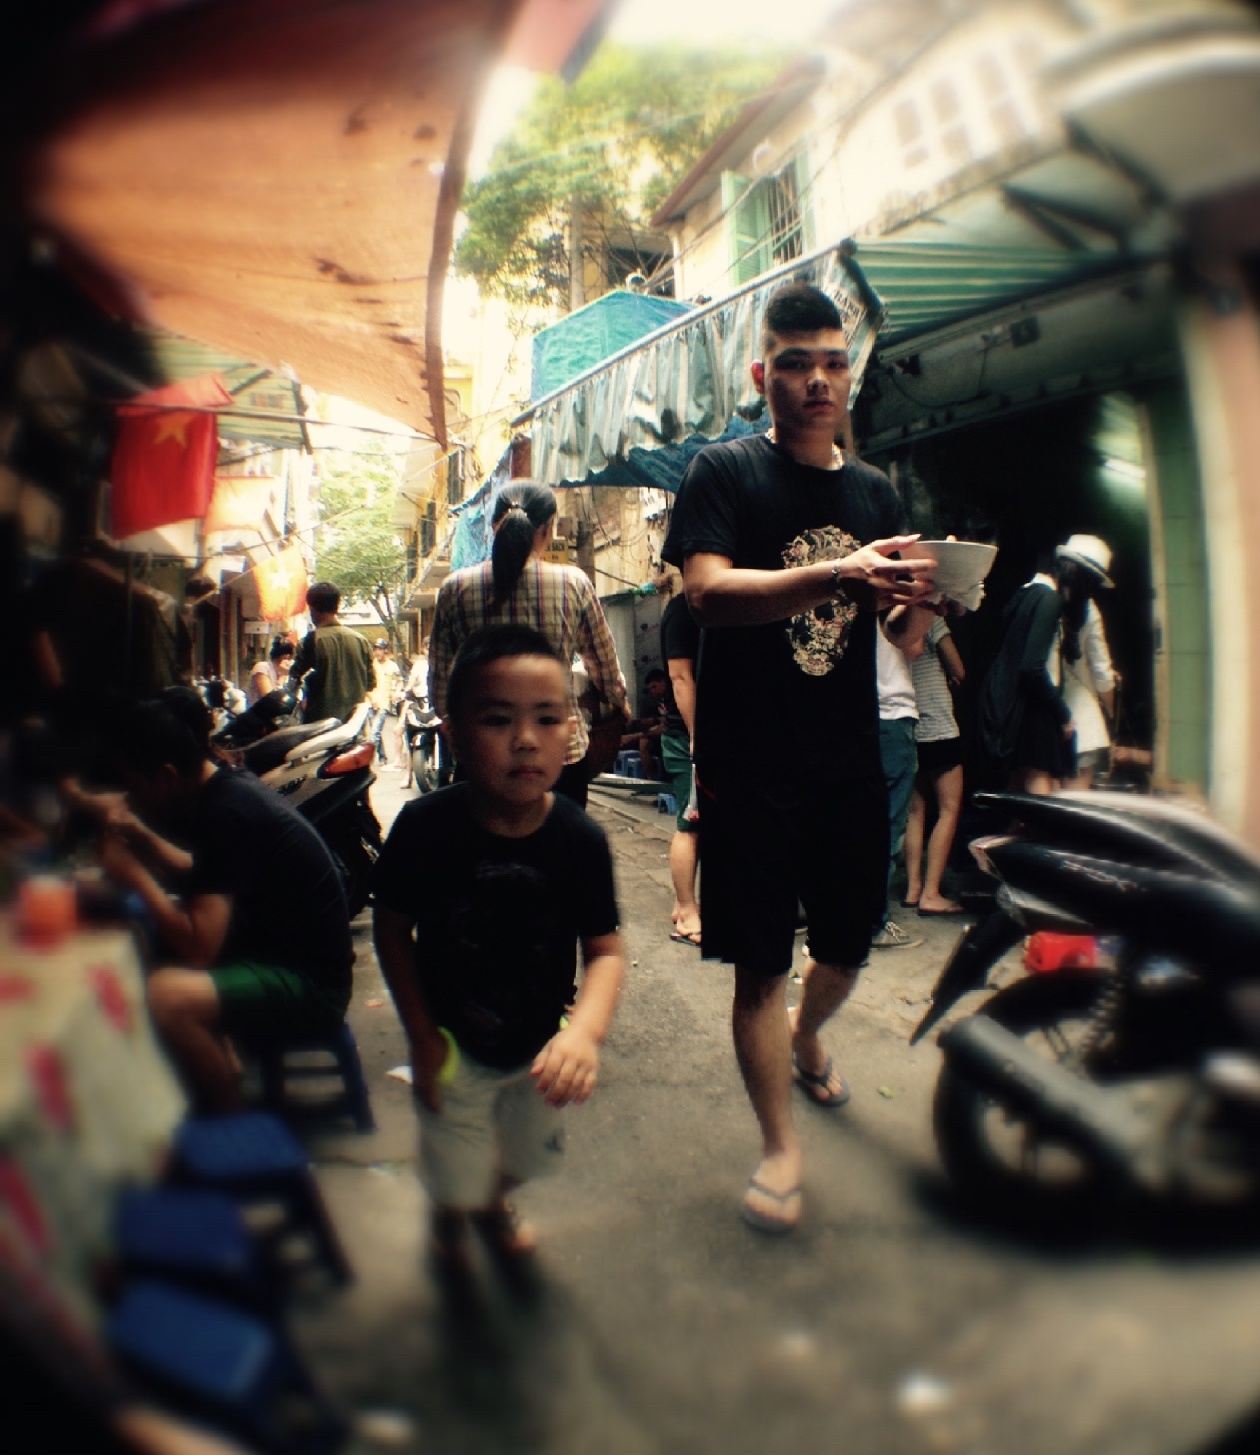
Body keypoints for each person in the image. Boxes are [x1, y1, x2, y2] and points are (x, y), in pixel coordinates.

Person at [662, 280, 936, 1233]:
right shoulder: (724, 471)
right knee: (760, 965)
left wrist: (923, 606)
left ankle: (808, 1035)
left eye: (833, 363)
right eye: (795, 363)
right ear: (760, 375)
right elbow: (706, 595)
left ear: (849, 376)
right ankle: (779, 1146)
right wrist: (837, 571)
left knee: (850, 941)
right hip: (751, 762)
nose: (818, 380)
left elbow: (892, 631)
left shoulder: (875, 493)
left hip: (848, 756)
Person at [372, 625, 625, 1272]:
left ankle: (489, 1202)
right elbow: (392, 929)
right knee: (452, 1168)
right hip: (452, 1047)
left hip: (541, 1052)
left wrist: (585, 1032)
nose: (525, 739)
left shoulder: (580, 839)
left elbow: (605, 951)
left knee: (525, 1158)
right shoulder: (425, 829)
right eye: (497, 719)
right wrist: (421, 1035)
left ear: (571, 732)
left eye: (546, 718)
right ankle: (453, 1214)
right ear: (453, 733)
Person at [98, 688, 353, 1111]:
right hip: (285, 956)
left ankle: (233, 1122)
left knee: (166, 996)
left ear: (165, 776)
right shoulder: (225, 786)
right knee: (155, 947)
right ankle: (223, 1066)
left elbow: (200, 946)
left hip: (312, 984)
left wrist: (134, 876)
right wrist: (139, 837)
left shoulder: (227, 811)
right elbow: (209, 875)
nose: (132, 798)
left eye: (134, 786)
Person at [428, 481, 630, 808]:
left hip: (482, 756)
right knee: (559, 840)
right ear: (548, 529)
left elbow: (441, 689)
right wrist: (619, 703)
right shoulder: (573, 584)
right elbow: (604, 668)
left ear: (494, 525)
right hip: (559, 758)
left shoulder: (455, 590)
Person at [978, 536, 1113, 794]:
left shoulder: (1026, 592)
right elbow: (1032, 667)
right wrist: (1063, 714)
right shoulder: (1049, 599)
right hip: (1036, 711)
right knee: (1042, 799)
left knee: (1020, 796)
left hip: (1012, 709)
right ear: (1079, 578)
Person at [870, 617, 931, 950]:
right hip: (893, 714)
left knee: (856, 823)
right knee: (888, 826)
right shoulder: (896, 598)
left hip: (860, 715)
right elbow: (914, 646)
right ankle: (872, 924)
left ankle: (838, 919)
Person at [903, 613, 967, 915]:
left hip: (909, 721)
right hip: (938, 723)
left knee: (914, 811)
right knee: (949, 809)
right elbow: (958, 668)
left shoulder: (891, 620)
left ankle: (912, 888)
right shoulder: (928, 617)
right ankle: (931, 893)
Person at [658, 567, 702, 946]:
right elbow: (680, 677)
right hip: (688, 736)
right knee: (691, 823)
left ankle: (687, 906)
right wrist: (696, 735)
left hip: (713, 734)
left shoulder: (719, 608)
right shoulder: (681, 609)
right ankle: (687, 911)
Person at [1058, 535, 1118, 788]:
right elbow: (1102, 673)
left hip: (1043, 721)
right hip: (1081, 719)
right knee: (1074, 801)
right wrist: (1111, 716)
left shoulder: (1042, 596)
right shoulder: (1089, 611)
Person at [289, 581, 375, 725]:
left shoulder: (310, 642)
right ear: (337, 607)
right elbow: (370, 683)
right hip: (353, 727)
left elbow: (294, 679)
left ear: (312, 608)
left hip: (319, 728)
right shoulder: (361, 641)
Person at [620, 668, 668, 778]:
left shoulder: (673, 697)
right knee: (643, 741)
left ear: (663, 682)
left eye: (654, 687)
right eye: (650, 689)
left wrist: (633, 736)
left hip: (674, 734)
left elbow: (666, 725)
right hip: (658, 734)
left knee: (642, 739)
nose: (653, 691)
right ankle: (650, 780)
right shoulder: (652, 701)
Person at [368, 638, 404, 768]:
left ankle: (372, 759)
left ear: (385, 651)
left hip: (383, 704)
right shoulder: (371, 665)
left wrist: (396, 693)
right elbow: (366, 683)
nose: (377, 652)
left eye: (380, 649)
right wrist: (370, 699)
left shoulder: (392, 666)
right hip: (370, 702)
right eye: (375, 649)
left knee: (375, 732)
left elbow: (400, 681)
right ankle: (382, 757)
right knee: (375, 732)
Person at [247, 637, 295, 707]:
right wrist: (282, 678)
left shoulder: (286, 673)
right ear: (286, 657)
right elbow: (269, 700)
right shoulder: (262, 668)